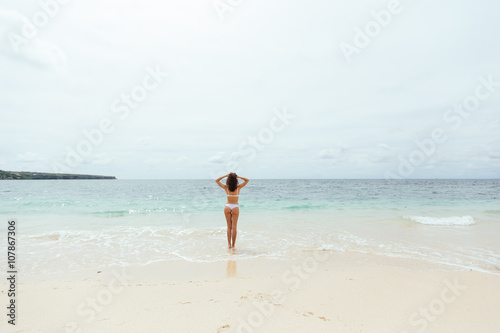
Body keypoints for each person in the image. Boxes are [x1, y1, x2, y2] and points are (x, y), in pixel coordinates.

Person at [215, 173, 249, 248]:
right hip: (235, 207)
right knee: (234, 227)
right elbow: (247, 180)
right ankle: (233, 245)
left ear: (228, 180)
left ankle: (229, 244)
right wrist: (238, 176)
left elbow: (217, 180)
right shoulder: (239, 187)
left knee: (228, 227)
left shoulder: (225, 187)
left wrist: (225, 175)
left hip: (227, 206)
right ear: (236, 179)